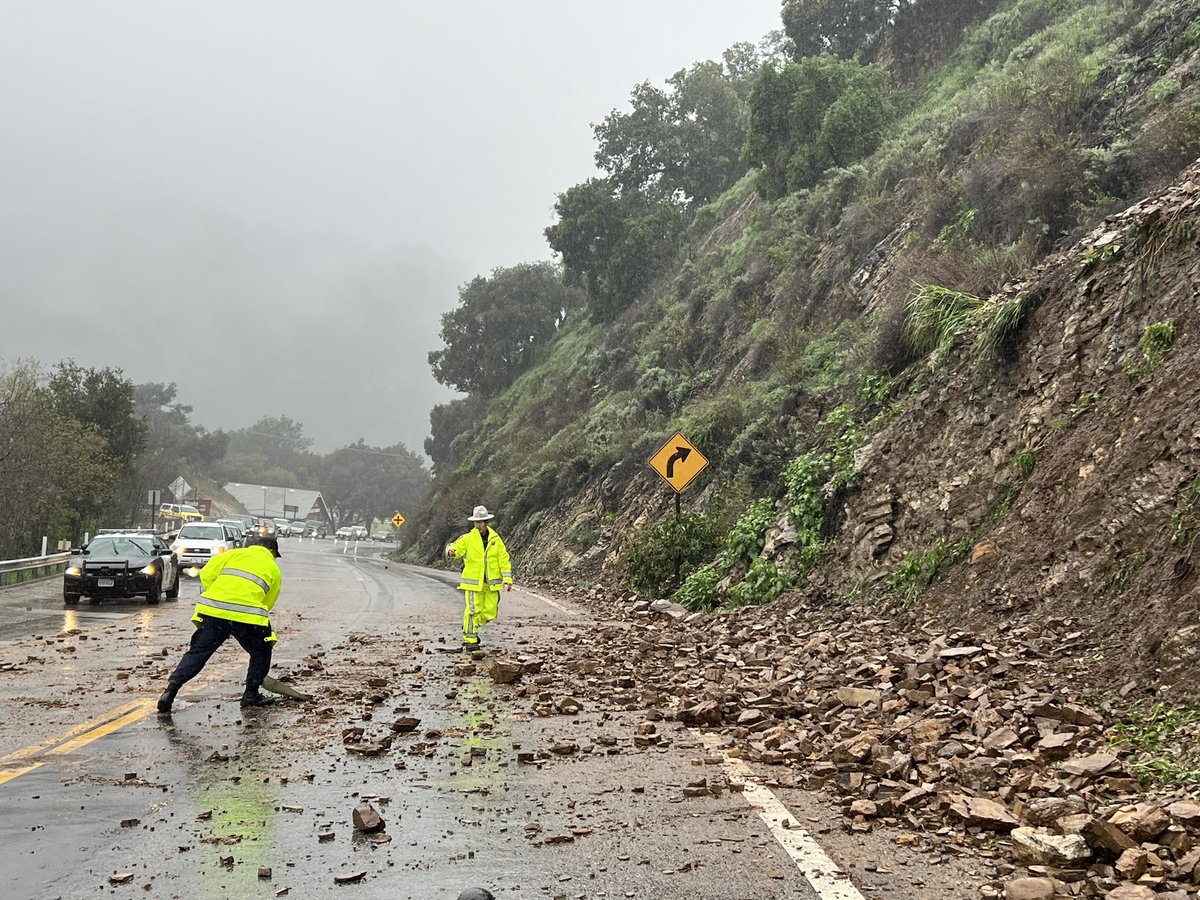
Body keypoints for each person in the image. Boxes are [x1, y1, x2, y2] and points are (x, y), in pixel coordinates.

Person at [157, 534, 283, 713]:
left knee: (198, 652)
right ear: (272, 551)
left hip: (215, 612)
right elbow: (269, 601)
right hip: (247, 617)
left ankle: (171, 690)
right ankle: (250, 695)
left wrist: (218, 594)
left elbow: (207, 574)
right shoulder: (273, 567)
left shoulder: (232, 554)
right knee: (261, 650)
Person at [446, 505, 512, 650]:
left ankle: (470, 625)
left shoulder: (495, 539)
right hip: (473, 583)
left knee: (490, 611)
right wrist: (451, 552)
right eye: (477, 522)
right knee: (473, 611)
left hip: (491, 584)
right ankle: (471, 640)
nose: (479, 525)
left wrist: (507, 578)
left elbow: (503, 559)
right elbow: (454, 547)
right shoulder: (468, 538)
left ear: (486, 522)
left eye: (481, 522)